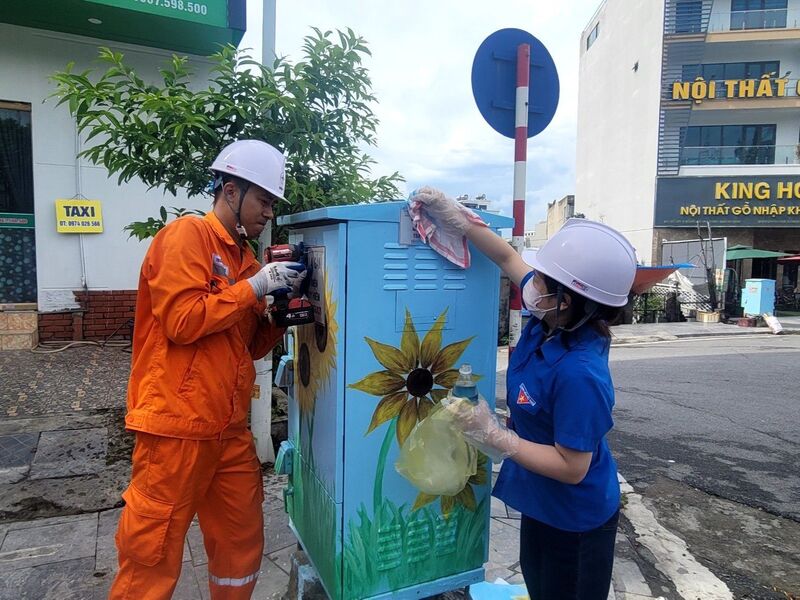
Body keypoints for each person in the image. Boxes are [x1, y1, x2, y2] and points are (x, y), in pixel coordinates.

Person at [410, 187, 636, 600]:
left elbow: (572, 467)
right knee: (536, 580)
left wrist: (496, 437)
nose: (531, 287)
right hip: (541, 501)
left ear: (567, 299)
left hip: (576, 520)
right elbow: (507, 257)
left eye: (543, 282)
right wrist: (462, 220)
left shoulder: (580, 373)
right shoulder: (551, 319)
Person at [110, 140, 306, 599]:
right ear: (230, 190)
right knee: (152, 552)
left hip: (227, 430)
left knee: (240, 541)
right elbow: (182, 322)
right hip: (176, 427)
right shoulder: (187, 236)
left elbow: (249, 345)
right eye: (263, 200)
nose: (268, 214)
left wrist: (281, 314)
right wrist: (254, 289)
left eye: (272, 204)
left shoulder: (245, 259)